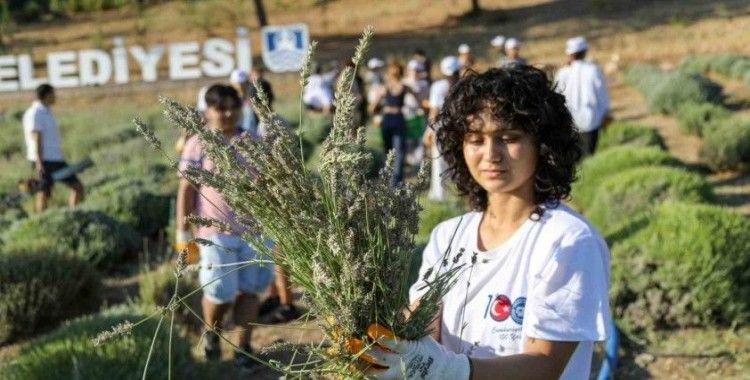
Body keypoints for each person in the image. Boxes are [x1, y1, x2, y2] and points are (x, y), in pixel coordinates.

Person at [364, 66, 610, 380]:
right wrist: (378, 343)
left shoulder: (567, 241)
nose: (491, 154)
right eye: (476, 139)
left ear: (543, 145)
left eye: (508, 138)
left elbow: (545, 365)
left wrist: (449, 369)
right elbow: (423, 322)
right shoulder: (449, 236)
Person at [176, 84, 273, 374]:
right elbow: (186, 190)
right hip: (214, 232)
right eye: (221, 108)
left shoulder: (253, 141)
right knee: (220, 291)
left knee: (251, 290)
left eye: (233, 107)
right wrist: (183, 235)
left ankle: (244, 348)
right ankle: (212, 334)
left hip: (254, 231)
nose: (228, 114)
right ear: (208, 112)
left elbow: (269, 183)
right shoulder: (198, 144)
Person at [22, 84, 84, 212]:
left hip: (56, 159)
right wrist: (39, 162)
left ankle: (73, 215)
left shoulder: (47, 112)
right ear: (47, 95)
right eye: (53, 94)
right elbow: (36, 137)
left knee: (77, 187)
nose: (55, 97)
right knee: (44, 192)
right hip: (44, 160)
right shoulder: (35, 113)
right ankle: (41, 221)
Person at [555, 36, 610, 156]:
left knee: (572, 159)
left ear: (569, 54)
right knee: (588, 156)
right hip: (590, 121)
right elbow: (602, 96)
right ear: (585, 52)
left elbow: (557, 97)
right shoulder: (593, 70)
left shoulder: (563, 73)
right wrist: (605, 113)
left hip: (569, 122)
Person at [369, 62, 415, 187]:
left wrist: (376, 112)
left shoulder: (385, 87)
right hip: (399, 119)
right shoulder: (404, 87)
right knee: (399, 152)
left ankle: (388, 181)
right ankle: (396, 183)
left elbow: (372, 107)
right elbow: (419, 100)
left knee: (388, 151)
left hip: (387, 119)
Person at [423, 56, 461, 201]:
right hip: (458, 128)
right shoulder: (462, 85)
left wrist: (429, 130)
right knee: (456, 162)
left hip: (441, 128)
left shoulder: (438, 86)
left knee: (439, 163)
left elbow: (434, 112)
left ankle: (440, 196)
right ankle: (455, 194)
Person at [402, 59, 430, 166]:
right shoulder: (404, 82)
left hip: (419, 115)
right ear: (409, 70)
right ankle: (408, 161)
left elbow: (425, 100)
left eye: (417, 70)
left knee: (419, 140)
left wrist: (414, 93)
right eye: (413, 70)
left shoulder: (424, 84)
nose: (415, 72)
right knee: (408, 140)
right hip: (406, 115)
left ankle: (419, 165)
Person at [248, 65, 276, 138]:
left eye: (251, 74)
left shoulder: (259, 84)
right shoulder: (263, 83)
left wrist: (261, 108)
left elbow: (254, 99)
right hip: (263, 110)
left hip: (261, 111)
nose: (250, 76)